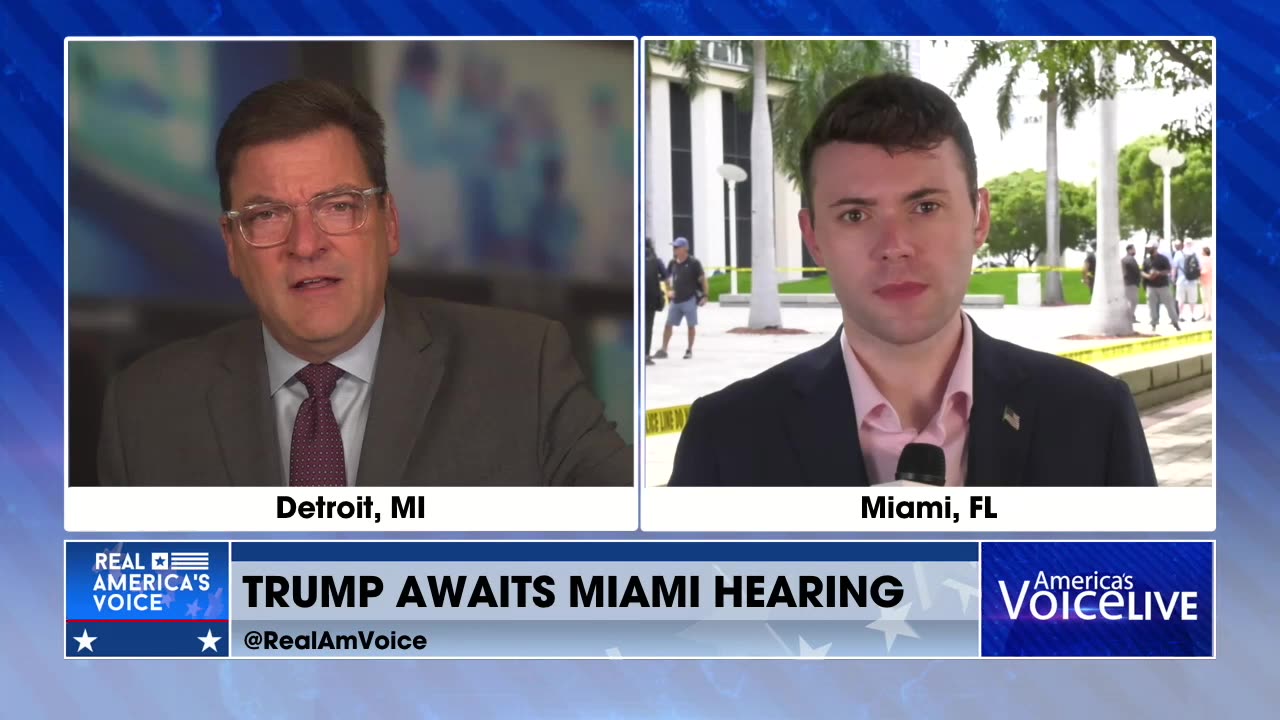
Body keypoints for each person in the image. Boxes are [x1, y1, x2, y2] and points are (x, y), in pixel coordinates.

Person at [97, 78, 630, 487]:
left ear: (389, 223)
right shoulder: (145, 408)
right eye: (266, 216)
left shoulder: (524, 366)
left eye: (338, 207)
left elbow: (646, 566)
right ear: (232, 245)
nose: (305, 245)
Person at [668, 73, 1156, 487]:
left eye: (925, 207)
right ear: (813, 237)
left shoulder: (1094, 417)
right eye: (855, 215)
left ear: (979, 217)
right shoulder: (726, 439)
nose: (895, 244)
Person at [653, 237, 707, 361]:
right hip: (676, 300)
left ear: (685, 249)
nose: (675, 249)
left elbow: (702, 279)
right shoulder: (673, 263)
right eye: (674, 247)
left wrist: (705, 295)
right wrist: (669, 290)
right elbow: (667, 278)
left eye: (677, 247)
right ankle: (664, 349)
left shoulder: (694, 263)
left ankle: (689, 349)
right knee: (668, 324)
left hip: (689, 299)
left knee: (691, 325)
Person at [1142, 242, 1180, 332]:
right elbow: (1142, 271)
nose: (1148, 249)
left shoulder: (1163, 259)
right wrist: (1147, 276)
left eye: (1150, 248)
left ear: (1155, 248)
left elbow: (1168, 270)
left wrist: (1158, 273)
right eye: (1147, 248)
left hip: (1163, 286)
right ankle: (1153, 323)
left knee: (1169, 305)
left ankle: (1175, 322)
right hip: (1151, 286)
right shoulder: (1146, 260)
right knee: (1152, 306)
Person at [644, 237, 668, 365]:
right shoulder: (655, 260)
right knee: (647, 327)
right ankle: (645, 355)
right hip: (651, 299)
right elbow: (665, 275)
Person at [1178, 240, 1201, 321]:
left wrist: (1173, 279)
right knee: (1193, 299)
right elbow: (1199, 267)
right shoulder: (1196, 254)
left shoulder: (1179, 253)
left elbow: (1174, 267)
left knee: (1181, 299)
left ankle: (1181, 315)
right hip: (1193, 280)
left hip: (1181, 281)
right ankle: (1192, 315)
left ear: (1184, 244)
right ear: (1192, 244)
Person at [1120, 243, 1141, 324]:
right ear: (1129, 250)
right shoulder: (1130, 260)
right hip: (1131, 283)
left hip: (1127, 283)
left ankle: (1131, 316)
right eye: (1133, 249)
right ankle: (1129, 317)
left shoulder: (1124, 259)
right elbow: (1136, 271)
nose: (1135, 251)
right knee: (1133, 301)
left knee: (1130, 301)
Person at [1198, 245, 1214, 322]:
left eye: (1201, 251)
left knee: (1205, 298)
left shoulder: (1204, 260)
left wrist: (1197, 273)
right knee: (1207, 298)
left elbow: (1205, 270)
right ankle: (1206, 314)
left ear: (1204, 252)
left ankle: (1207, 315)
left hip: (1205, 281)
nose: (1201, 252)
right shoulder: (1211, 259)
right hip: (1209, 281)